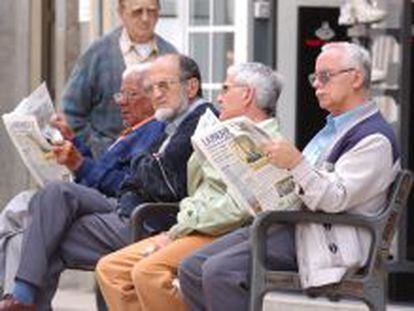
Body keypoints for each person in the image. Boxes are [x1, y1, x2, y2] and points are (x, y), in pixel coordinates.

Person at [177, 42, 401, 311]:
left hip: (326, 238)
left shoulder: (374, 138)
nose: (316, 84)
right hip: (296, 224)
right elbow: (308, 183)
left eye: (325, 76)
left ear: (356, 78)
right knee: (191, 268)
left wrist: (295, 162)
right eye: (314, 77)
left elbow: (335, 198)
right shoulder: (335, 127)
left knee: (219, 271)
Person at [0, 54, 213, 310]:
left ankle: (21, 298)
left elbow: (160, 178)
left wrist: (121, 165)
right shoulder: (166, 122)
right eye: (151, 88)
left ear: (190, 87)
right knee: (36, 224)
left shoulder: (194, 120)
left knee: (40, 223)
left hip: (144, 217)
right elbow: (140, 171)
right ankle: (20, 299)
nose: (155, 95)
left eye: (162, 86)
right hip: (123, 206)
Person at [95, 62, 299, 311]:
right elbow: (199, 190)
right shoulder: (226, 134)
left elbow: (237, 210)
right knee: (111, 269)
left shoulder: (266, 145)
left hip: (221, 233)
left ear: (246, 95)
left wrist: (177, 231)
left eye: (226, 88)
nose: (219, 97)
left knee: (149, 272)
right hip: (195, 226)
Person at [0, 63, 164, 295]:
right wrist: (73, 142)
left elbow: (127, 183)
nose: (121, 101)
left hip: (119, 206)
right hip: (98, 199)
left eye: (131, 94)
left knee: (45, 204)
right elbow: (99, 172)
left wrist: (80, 163)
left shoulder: (156, 131)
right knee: (22, 226)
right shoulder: (132, 131)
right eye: (120, 93)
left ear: (153, 97)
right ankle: (15, 298)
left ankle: (19, 293)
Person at [61, 0, 177, 157]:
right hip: (103, 165)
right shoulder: (97, 55)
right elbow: (71, 112)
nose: (145, 18)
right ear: (121, 12)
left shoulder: (171, 58)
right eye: (137, 11)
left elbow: (182, 112)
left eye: (151, 11)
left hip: (155, 166)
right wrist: (99, 149)